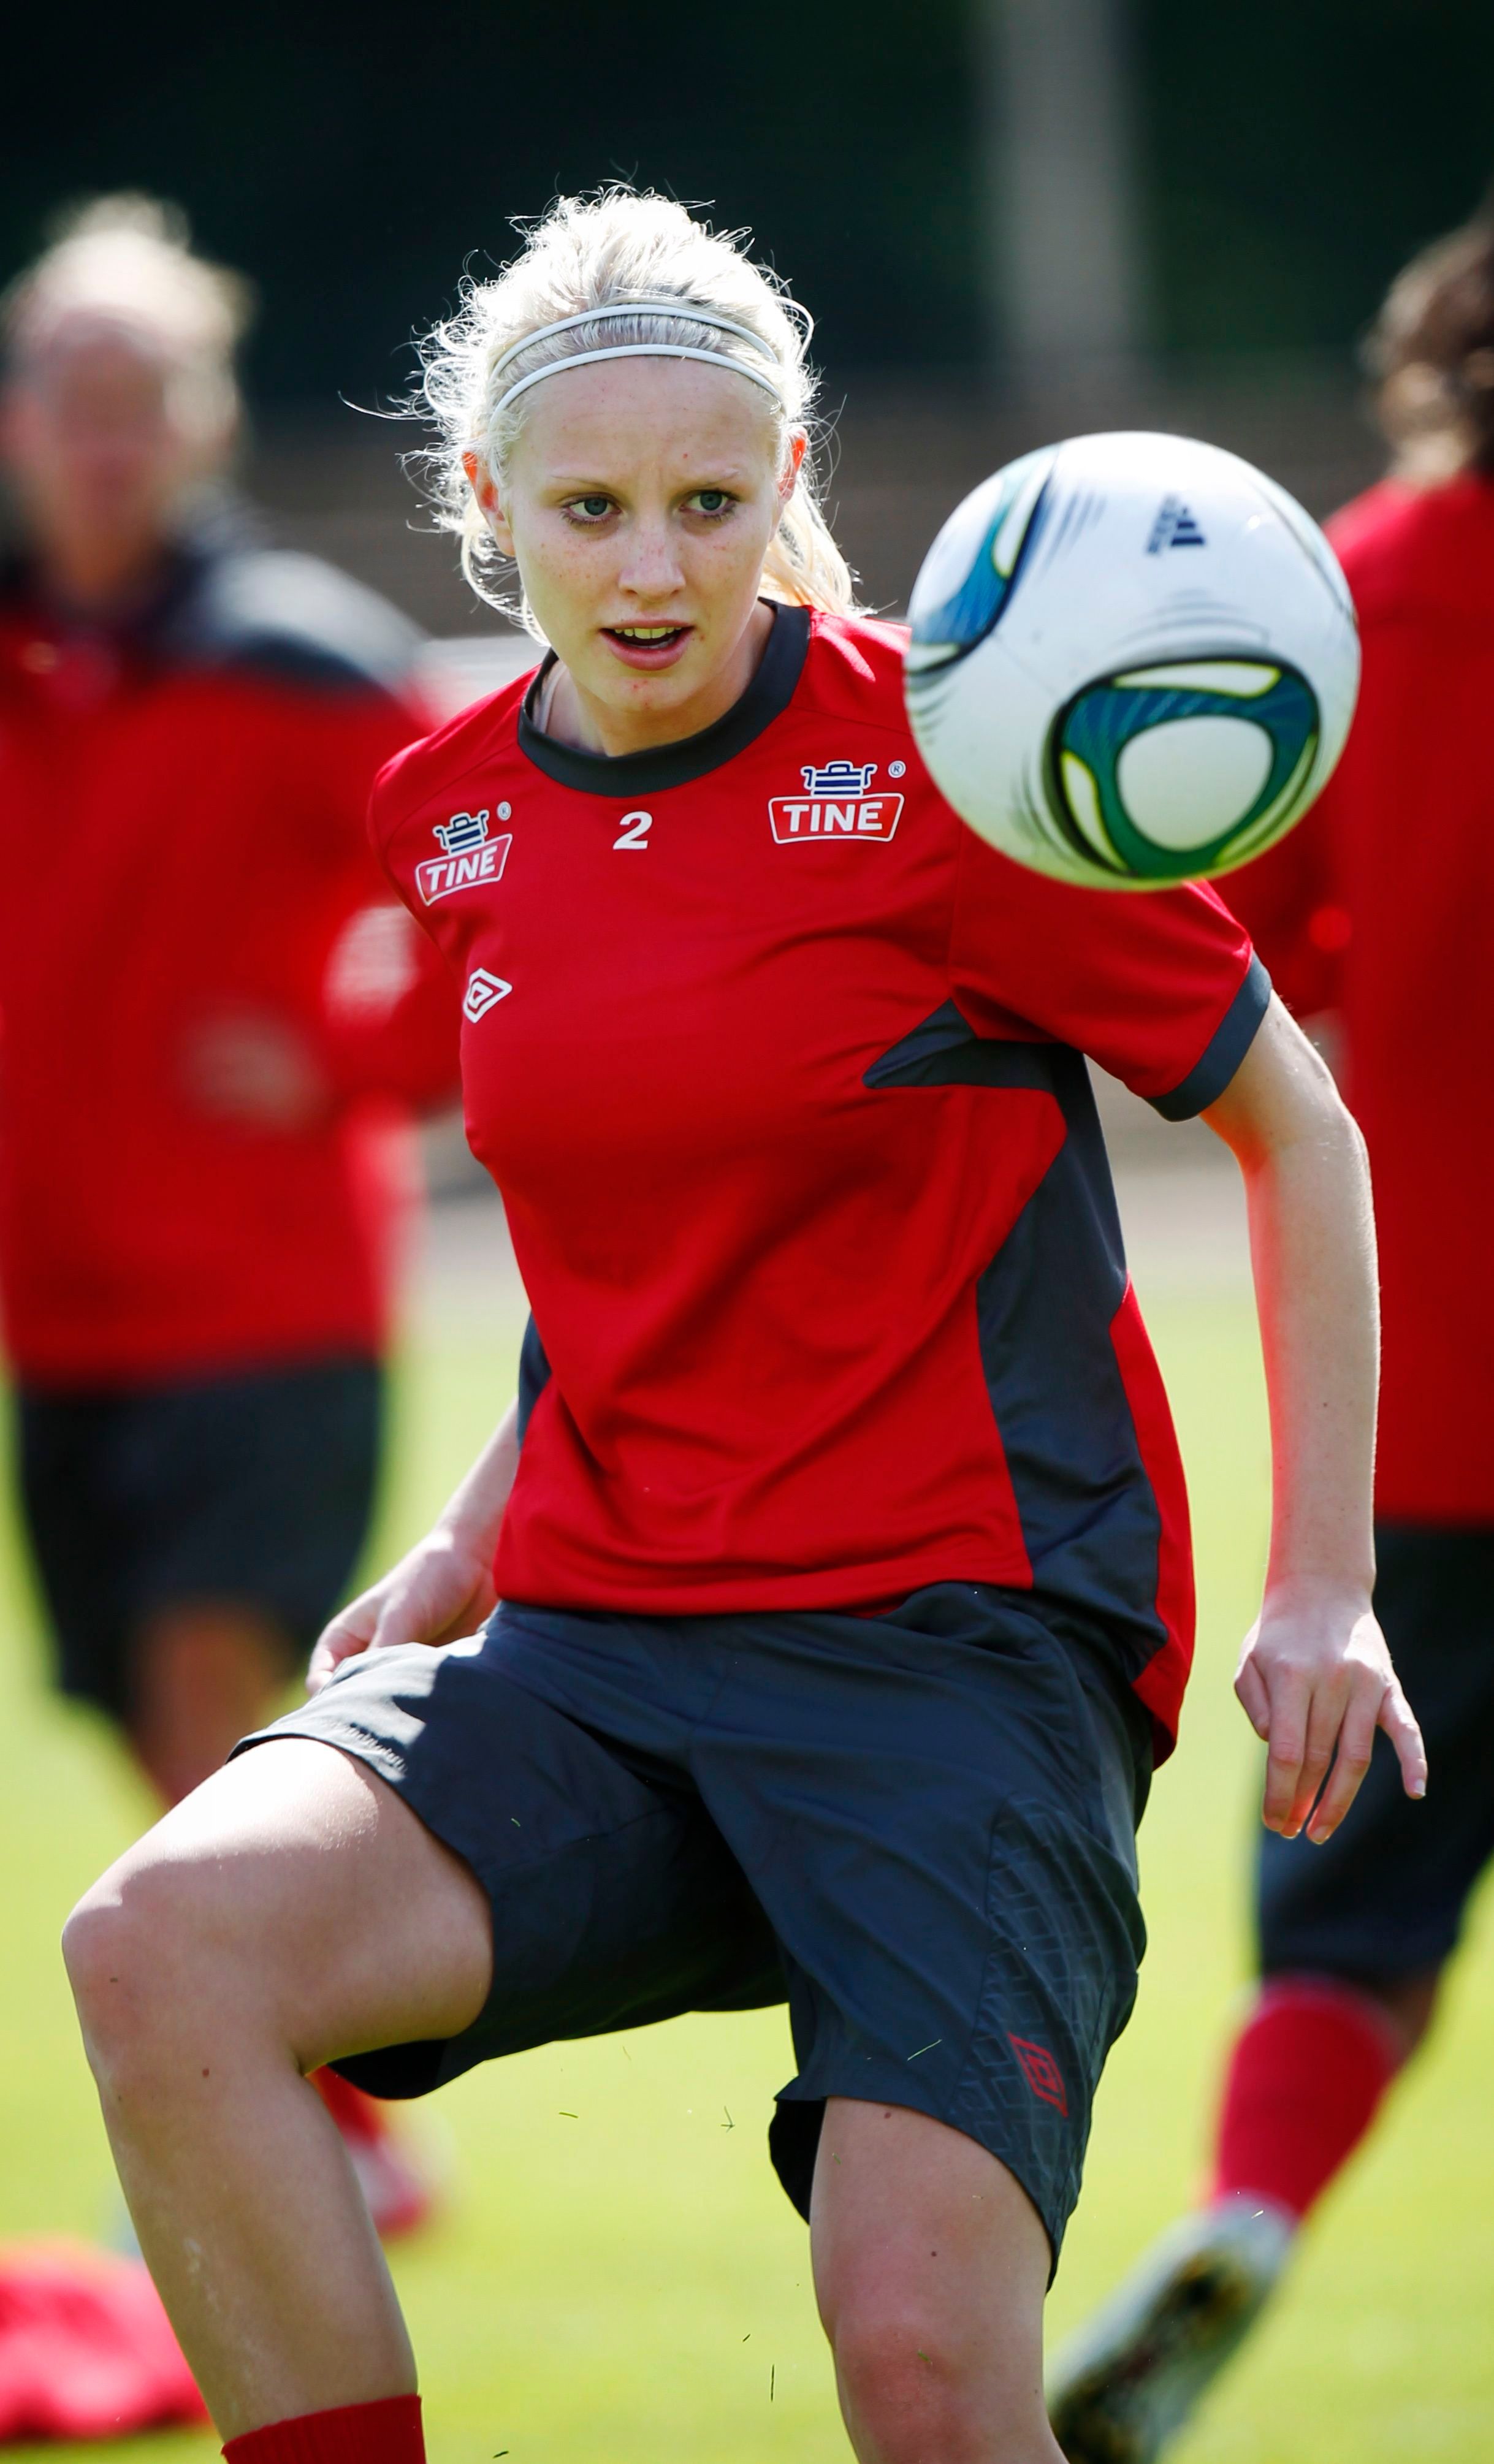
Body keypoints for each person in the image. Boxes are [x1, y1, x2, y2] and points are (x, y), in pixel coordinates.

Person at [61, 188, 1423, 2464]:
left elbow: (1304, 1128)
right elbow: (636, 1244)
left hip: (961, 1656)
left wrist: (1325, 1586)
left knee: (920, 2374)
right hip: (602, 1649)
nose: (655, 566)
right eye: (591, 509)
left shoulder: (964, 766)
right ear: (490, 503)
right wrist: (473, 1535)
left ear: (787, 482)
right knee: (162, 1944)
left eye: (711, 501)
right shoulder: (449, 811)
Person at [1046, 197, 1494, 2464]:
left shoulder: (1353, 600)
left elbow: (1225, 958)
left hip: (1438, 1397)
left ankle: (1249, 2208)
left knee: (1352, 1926)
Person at [0, 196, 458, 2248]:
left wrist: (356, 1059)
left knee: (208, 1682)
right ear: (21, 423)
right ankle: (338, 2094)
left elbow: (507, 889)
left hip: (268, 1291)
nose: (103, 441)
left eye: (141, 402)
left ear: (201, 423)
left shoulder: (303, 660)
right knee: (135, 1702)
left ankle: (322, 2115)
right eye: (70, 401)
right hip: (60, 1307)